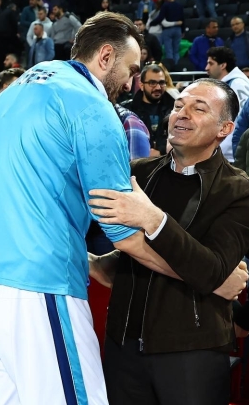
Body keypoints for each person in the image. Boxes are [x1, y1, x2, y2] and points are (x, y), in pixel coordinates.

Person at [0, 12, 146, 404]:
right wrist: (203, 275)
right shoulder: (90, 104)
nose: (130, 83)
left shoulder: (7, 96)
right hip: (41, 292)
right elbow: (124, 228)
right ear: (106, 56)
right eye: (131, 70)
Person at [90, 79, 249, 404]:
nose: (182, 114)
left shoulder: (239, 190)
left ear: (225, 129)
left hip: (193, 352)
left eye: (198, 108)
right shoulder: (137, 174)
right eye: (178, 106)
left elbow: (212, 268)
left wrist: (153, 220)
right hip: (123, 348)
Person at [205, 46, 249, 161]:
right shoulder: (227, 84)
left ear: (223, 65)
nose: (206, 68)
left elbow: (241, 122)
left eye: (211, 63)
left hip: (231, 156)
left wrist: (236, 152)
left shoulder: (238, 84)